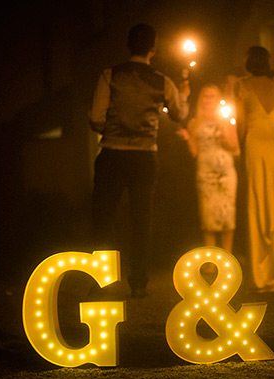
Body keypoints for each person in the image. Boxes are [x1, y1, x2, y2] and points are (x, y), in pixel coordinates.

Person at [88, 23, 190, 298]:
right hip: (145, 156)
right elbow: (179, 114)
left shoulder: (110, 75)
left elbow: (96, 117)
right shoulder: (162, 80)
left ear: (128, 45)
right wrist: (184, 96)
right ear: (153, 49)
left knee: (104, 216)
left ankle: (102, 280)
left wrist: (110, 129)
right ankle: (139, 282)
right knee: (141, 218)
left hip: (112, 152)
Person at [234, 46, 274, 292]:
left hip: (255, 144)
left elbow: (240, 123)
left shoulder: (241, 86)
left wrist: (240, 149)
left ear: (248, 62)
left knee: (259, 202)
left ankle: (263, 275)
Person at [177, 84, 239, 252]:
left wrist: (225, 139)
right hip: (205, 171)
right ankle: (211, 259)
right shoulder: (195, 122)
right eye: (205, 96)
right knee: (208, 217)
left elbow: (235, 148)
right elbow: (194, 152)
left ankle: (227, 256)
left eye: (212, 96)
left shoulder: (226, 121)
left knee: (227, 215)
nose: (208, 100)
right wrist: (187, 137)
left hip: (225, 171)